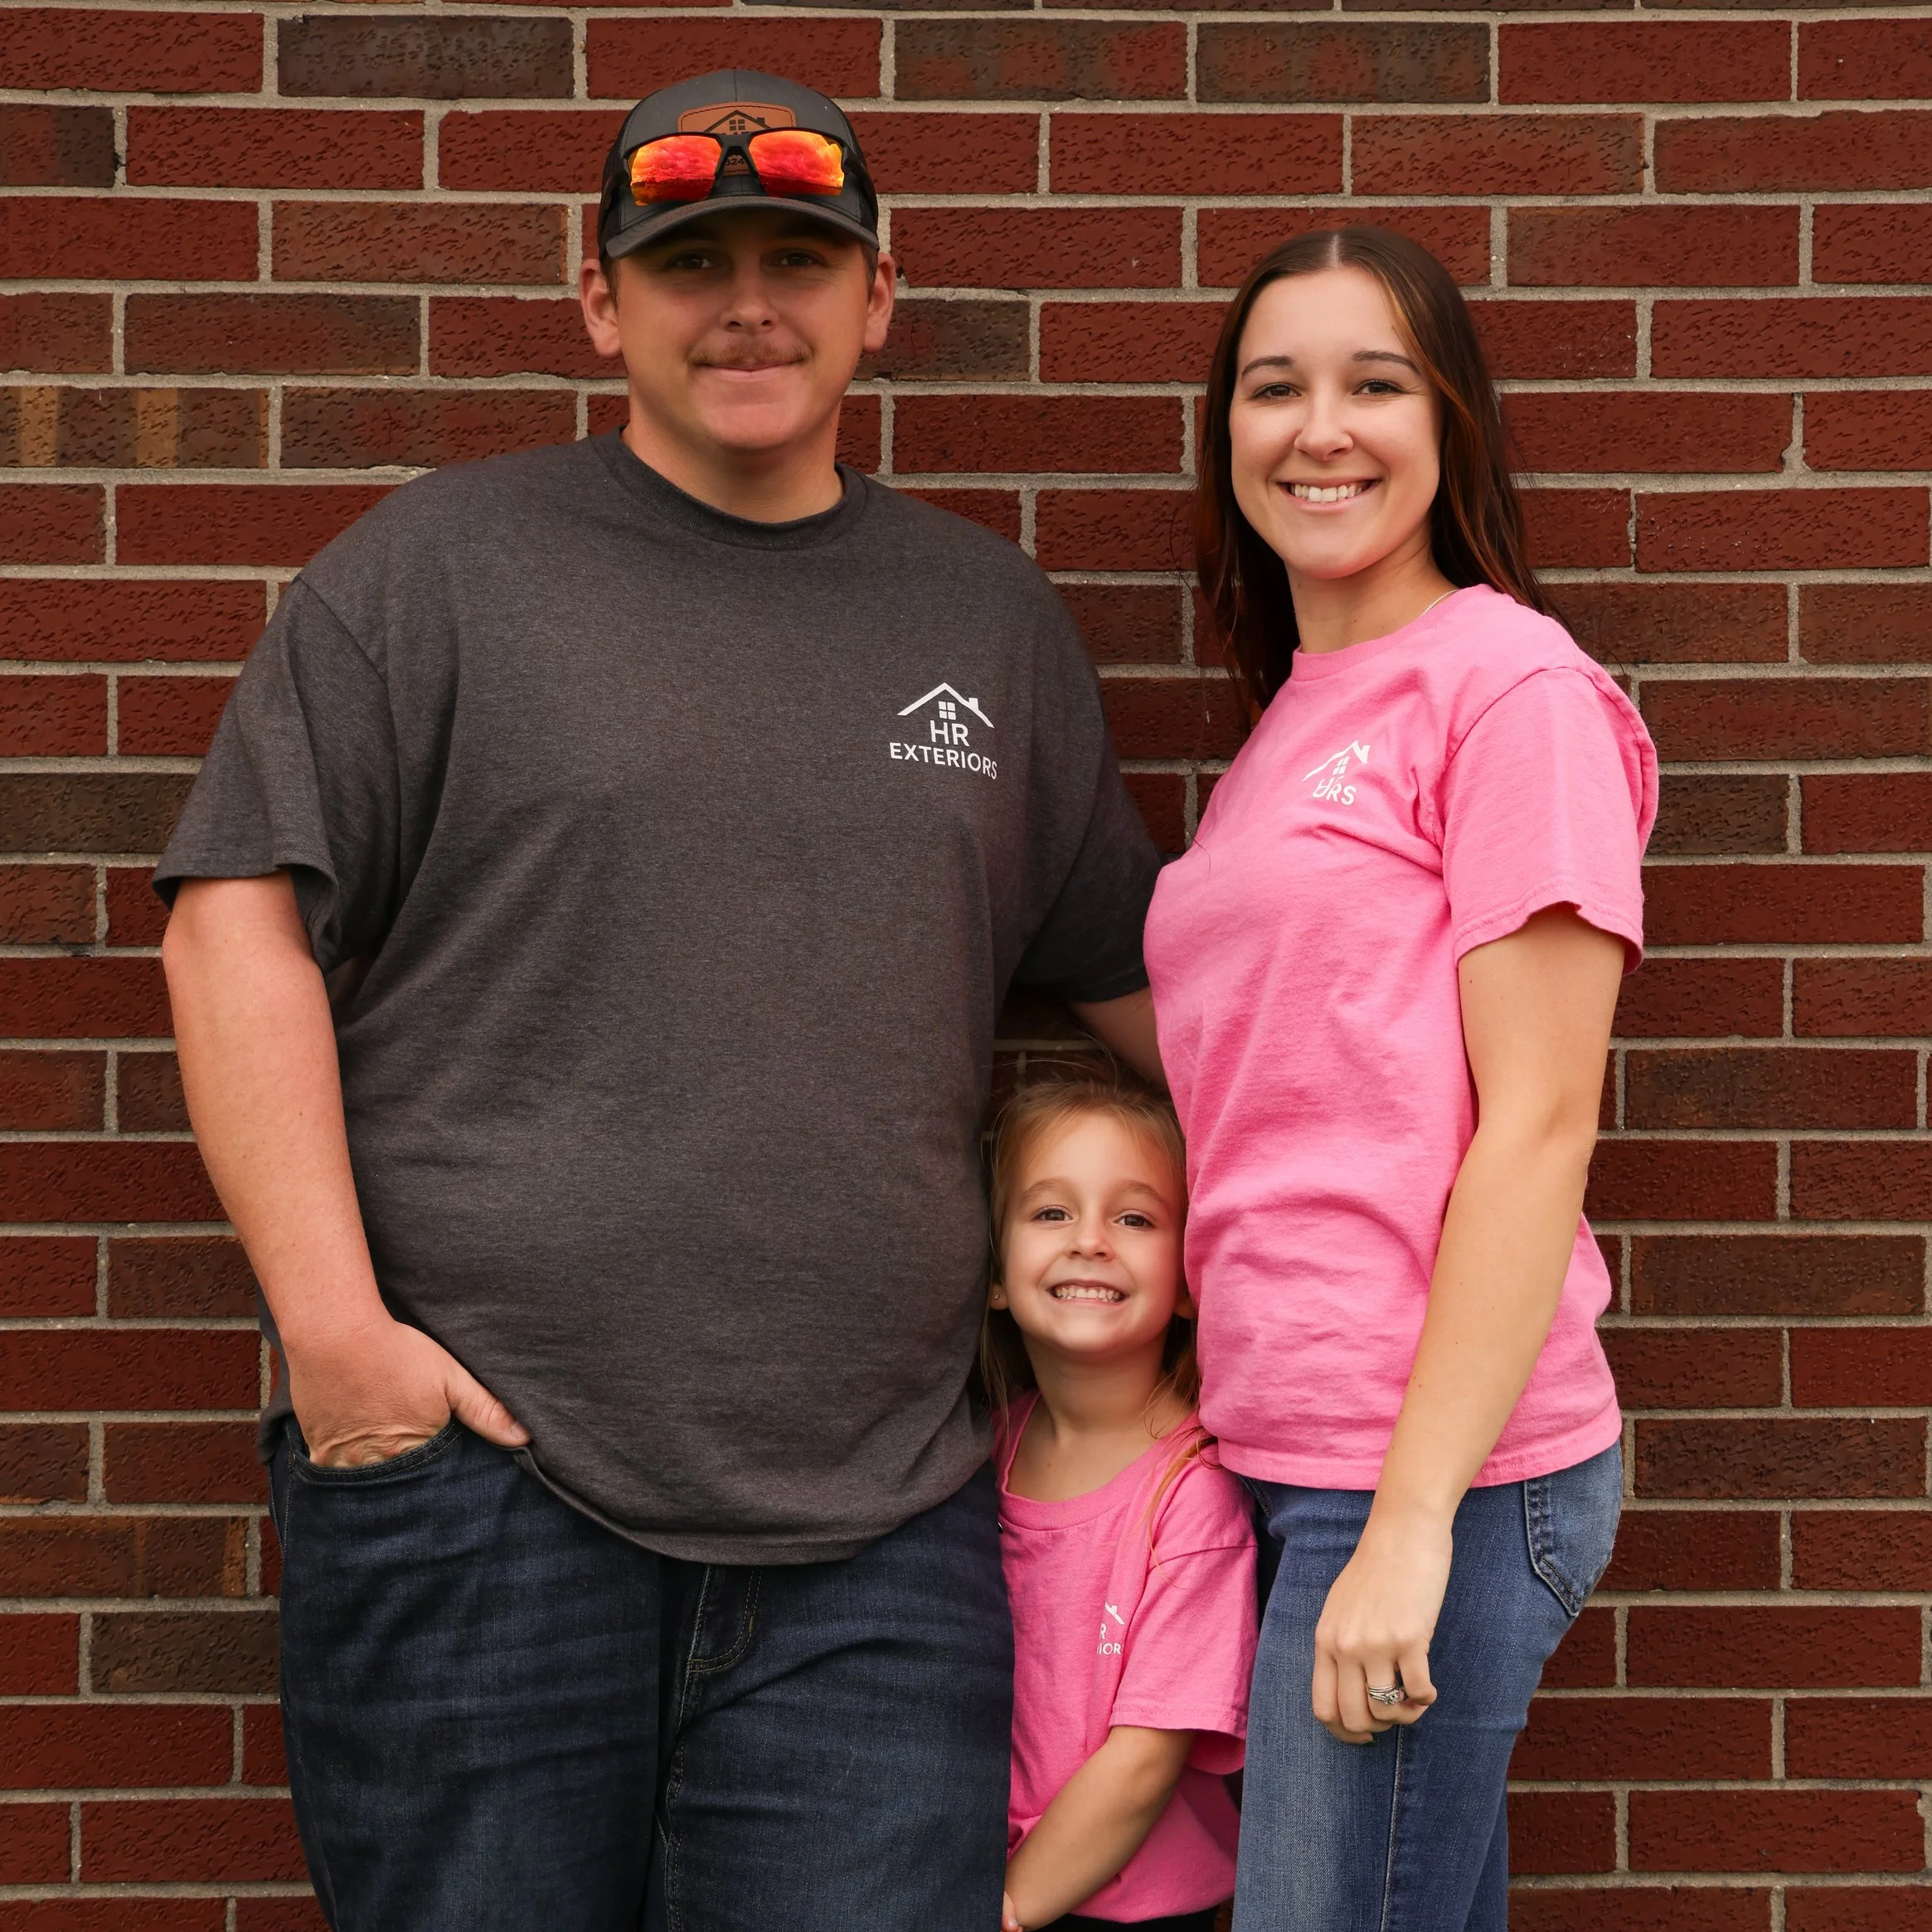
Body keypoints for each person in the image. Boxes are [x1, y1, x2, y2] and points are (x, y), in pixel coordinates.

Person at [153, 69, 1163, 1932]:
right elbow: (232, 927)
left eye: (800, 256)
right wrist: (342, 1346)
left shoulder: (986, 624)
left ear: (881, 291)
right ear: (604, 300)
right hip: (480, 1499)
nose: (749, 304)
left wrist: (1456, 1150)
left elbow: (1142, 987)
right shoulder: (436, 577)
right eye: (691, 263)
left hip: (880, 1531)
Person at [1141, 226, 1658, 1931]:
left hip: (1435, 1463)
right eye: (1274, 387)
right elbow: (1293, 1055)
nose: (1320, 429)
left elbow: (1539, 1125)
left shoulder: (1509, 690)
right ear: (1226, 435)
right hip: (1294, 1446)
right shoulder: (1296, 713)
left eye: (1374, 383)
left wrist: (1414, 1522)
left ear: (1451, 427)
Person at [982, 1078, 1255, 1932]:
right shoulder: (984, 1448)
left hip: (1123, 1908)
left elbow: (1144, 1760)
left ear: (1184, 1281)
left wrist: (1012, 1902)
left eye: (1133, 1218)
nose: (1090, 1241)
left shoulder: (1191, 1494)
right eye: (1050, 1213)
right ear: (994, 1273)